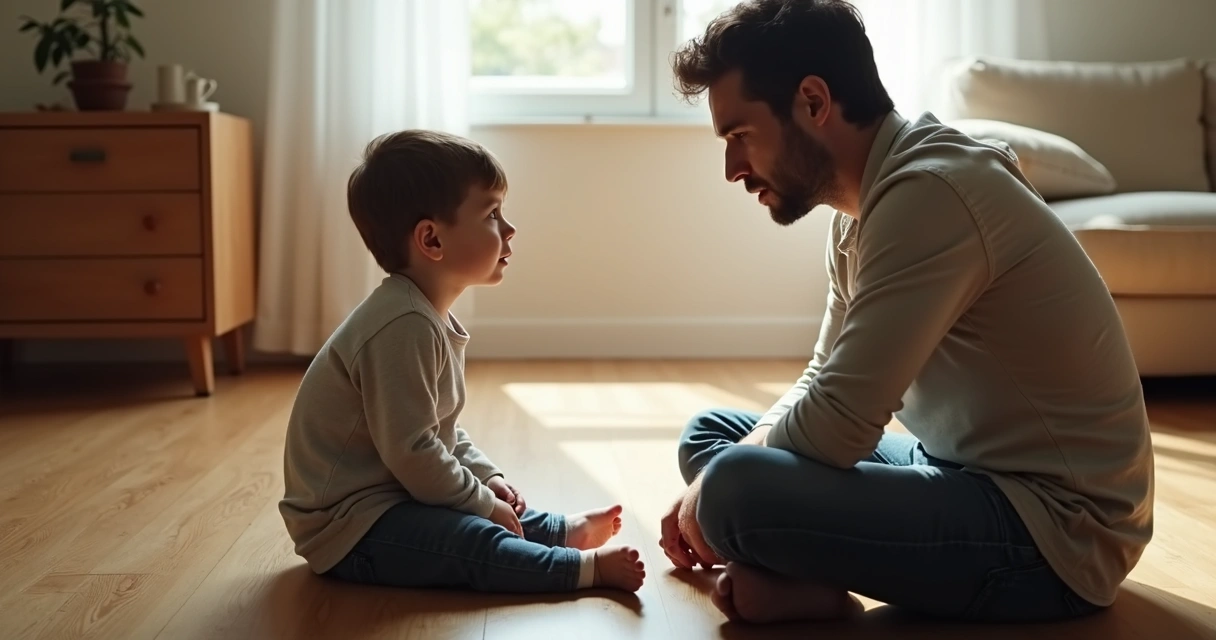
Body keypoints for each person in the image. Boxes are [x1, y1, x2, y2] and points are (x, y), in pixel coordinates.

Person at [658, 0, 1154, 625]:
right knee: (713, 434)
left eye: (739, 136)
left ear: (813, 102)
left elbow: (840, 420)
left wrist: (717, 490)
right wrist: (727, 473)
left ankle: (792, 567)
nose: (732, 169)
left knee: (733, 487)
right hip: (954, 465)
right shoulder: (859, 213)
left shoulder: (932, 192)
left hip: (1057, 533)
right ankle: (790, 569)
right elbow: (822, 379)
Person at [279, 130, 645, 594]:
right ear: (431, 239)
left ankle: (549, 531)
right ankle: (576, 568)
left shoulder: (423, 314)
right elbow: (415, 452)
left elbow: (439, 431)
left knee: (475, 505)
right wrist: (480, 502)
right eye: (492, 214)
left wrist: (487, 478)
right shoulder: (401, 326)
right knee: (469, 539)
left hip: (390, 496)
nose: (509, 230)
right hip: (350, 529)